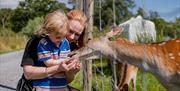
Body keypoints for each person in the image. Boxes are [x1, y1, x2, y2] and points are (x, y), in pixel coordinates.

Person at [16, 9, 87, 91]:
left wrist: (71, 71)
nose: (72, 37)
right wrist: (58, 68)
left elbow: (68, 80)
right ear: (63, 24)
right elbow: (28, 74)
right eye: (70, 31)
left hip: (56, 86)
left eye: (77, 34)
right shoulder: (38, 40)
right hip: (31, 86)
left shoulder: (72, 47)